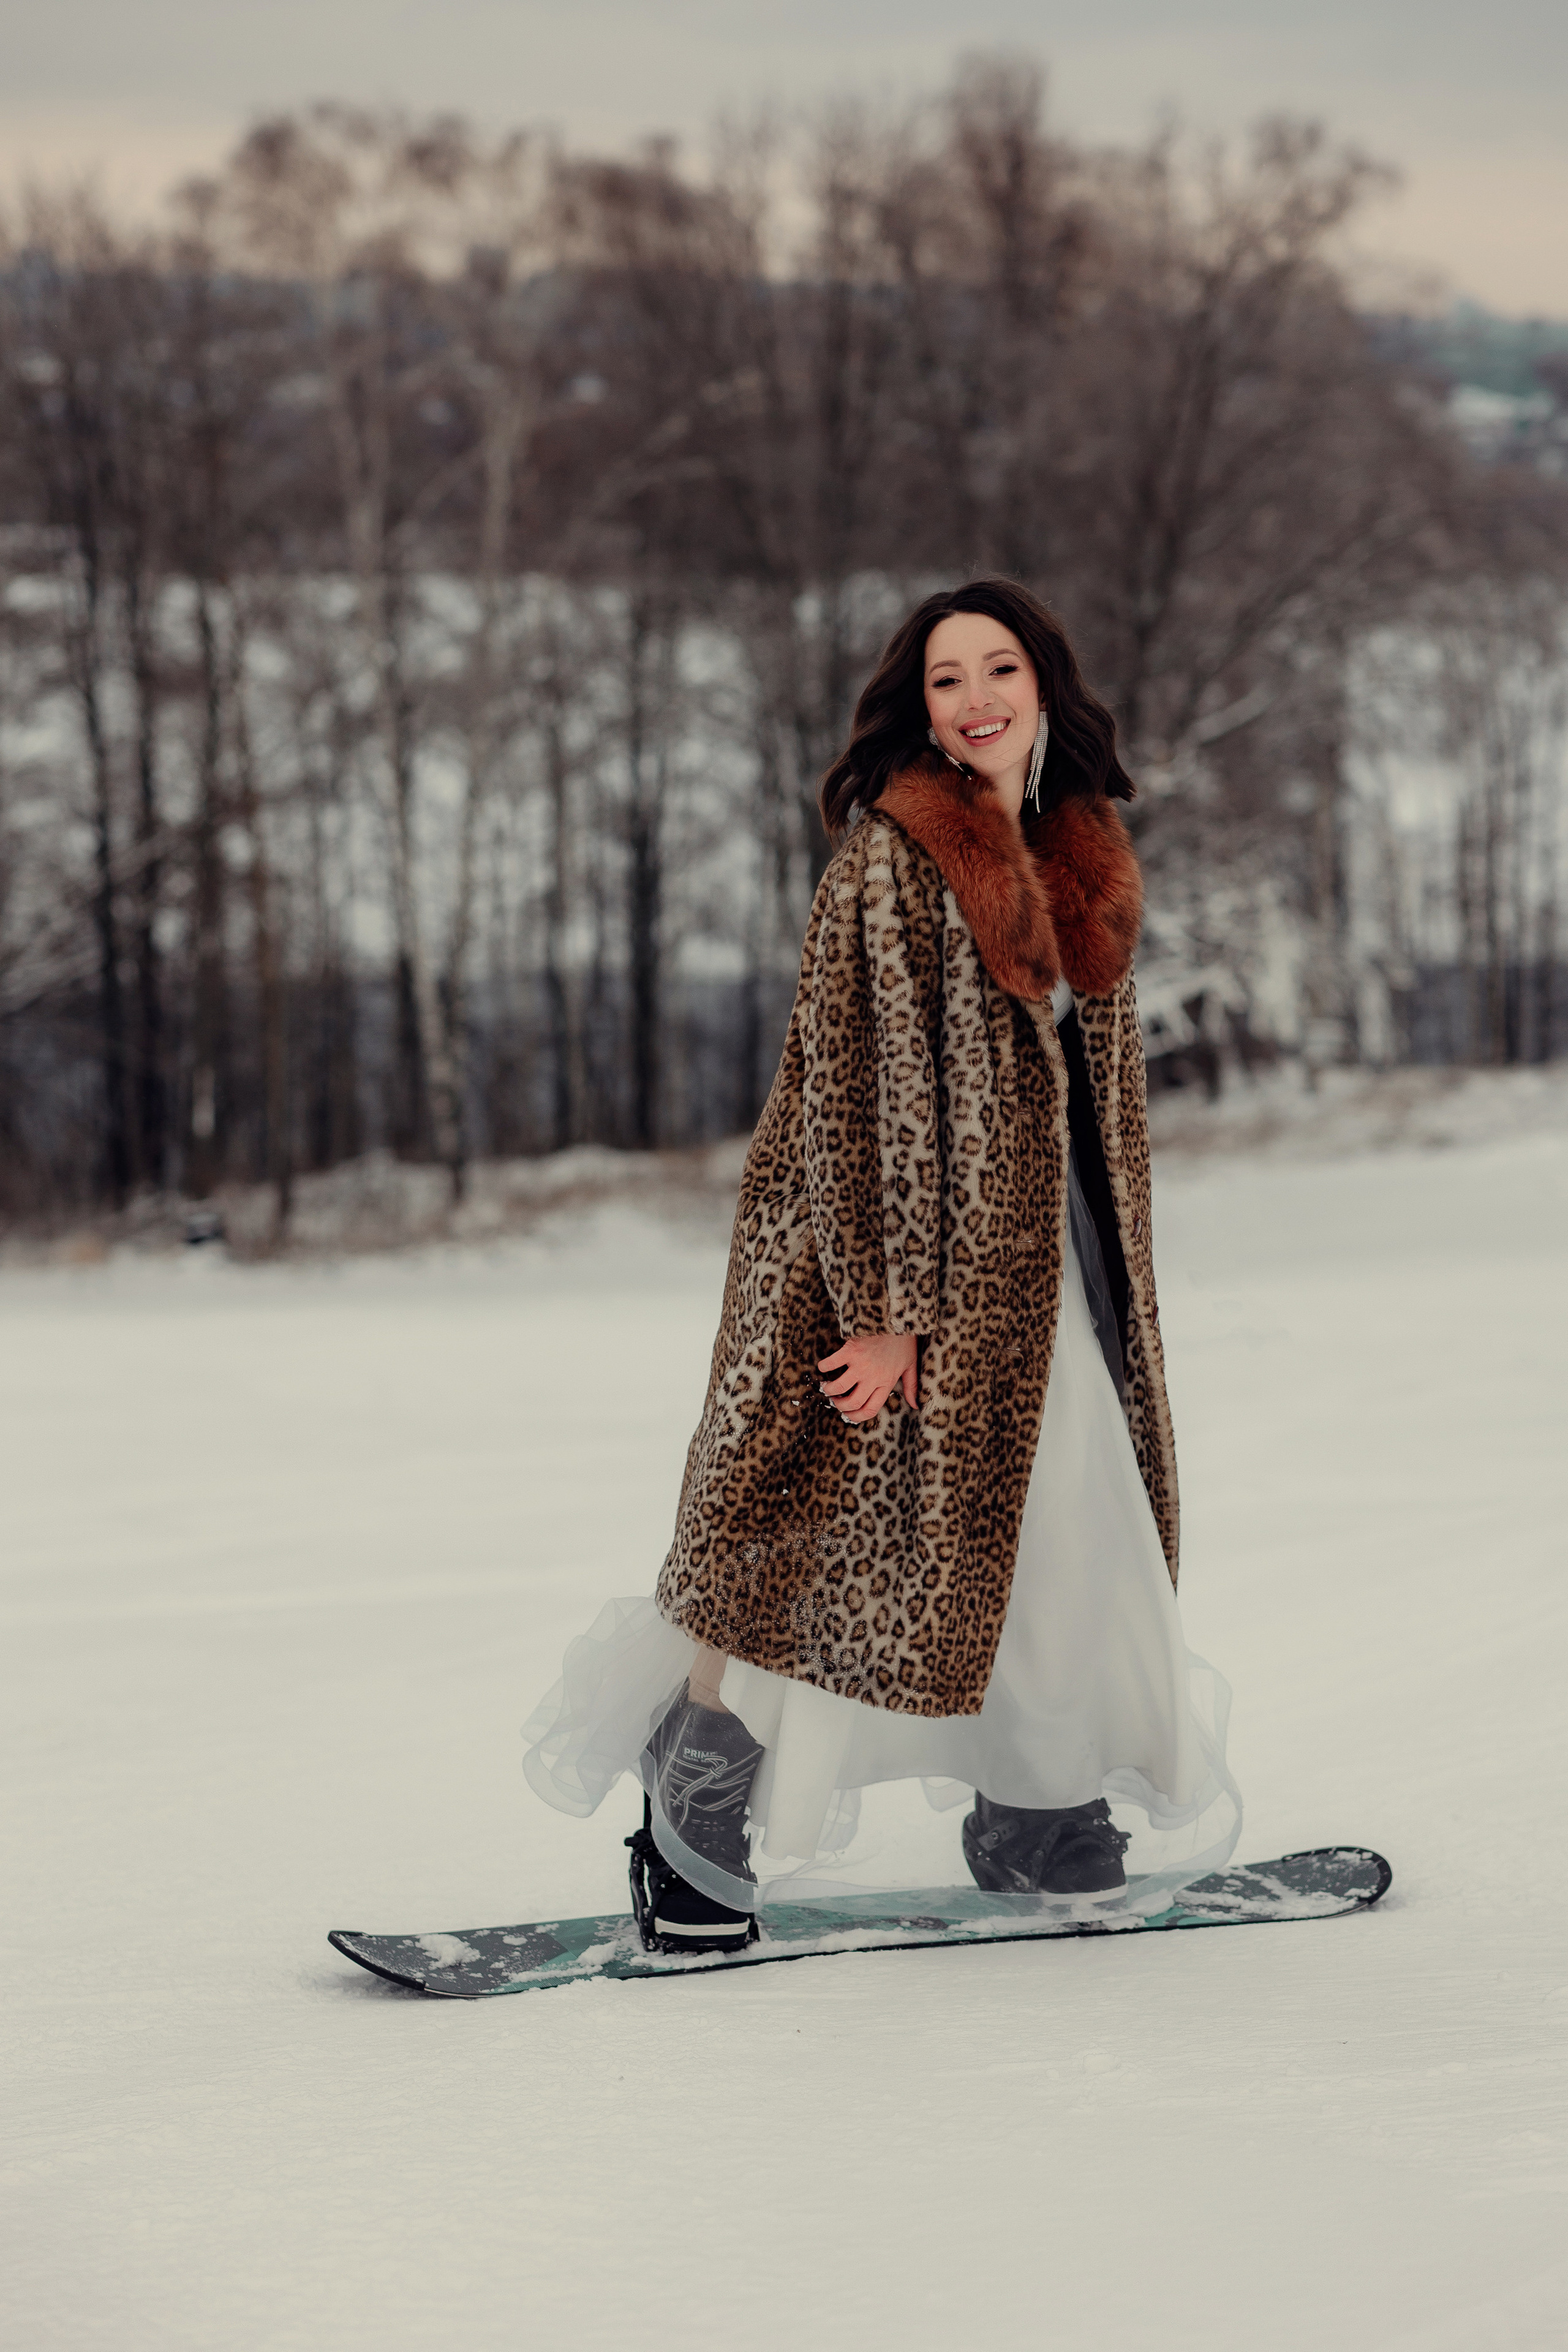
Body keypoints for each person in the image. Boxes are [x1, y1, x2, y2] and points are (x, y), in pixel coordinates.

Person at [524, 578, 1240, 1951]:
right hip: (880, 1267)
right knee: (809, 1541)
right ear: (917, 711)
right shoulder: (893, 857)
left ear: (1045, 688)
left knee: (1067, 1524)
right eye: (944, 681)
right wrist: (887, 1311)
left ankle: (1032, 1806)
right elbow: (854, 1096)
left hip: (1045, 1277)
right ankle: (694, 1800)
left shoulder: (1079, 854)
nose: (972, 701)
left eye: (997, 671)